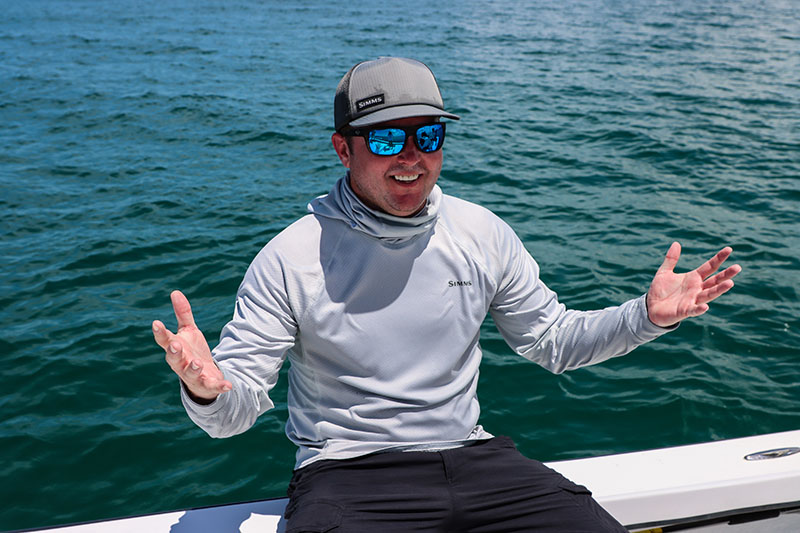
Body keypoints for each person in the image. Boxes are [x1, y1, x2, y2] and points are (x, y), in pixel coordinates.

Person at [152, 57, 741, 532]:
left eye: (427, 136)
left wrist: (646, 316)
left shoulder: (481, 232)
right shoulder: (290, 259)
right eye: (386, 140)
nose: (411, 157)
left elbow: (553, 342)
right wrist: (206, 391)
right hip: (347, 474)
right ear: (343, 148)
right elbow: (235, 411)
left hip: (475, 458)